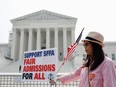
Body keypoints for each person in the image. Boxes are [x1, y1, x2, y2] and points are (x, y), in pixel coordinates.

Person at [50, 31, 116, 87]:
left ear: (95, 46)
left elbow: (109, 85)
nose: (85, 47)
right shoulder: (87, 64)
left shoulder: (107, 64)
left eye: (87, 44)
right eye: (84, 45)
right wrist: (57, 79)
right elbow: (74, 74)